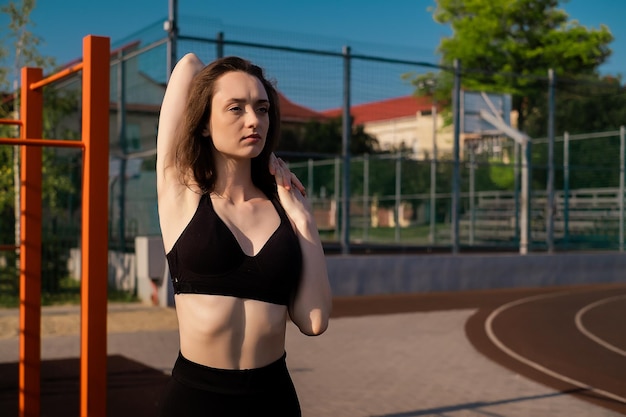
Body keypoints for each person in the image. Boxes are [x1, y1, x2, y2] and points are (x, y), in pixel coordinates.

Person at [155, 52, 332, 416]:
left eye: (262, 108)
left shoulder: (285, 210)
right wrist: (234, 73)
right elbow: (188, 64)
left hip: (272, 400)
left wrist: (304, 221)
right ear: (204, 123)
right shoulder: (181, 193)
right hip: (195, 400)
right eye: (236, 108)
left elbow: (314, 321)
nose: (254, 120)